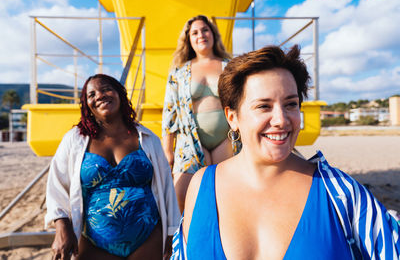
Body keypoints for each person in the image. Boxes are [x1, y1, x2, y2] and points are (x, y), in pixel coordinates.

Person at [171, 45, 400, 259]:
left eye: (291, 104)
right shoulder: (200, 186)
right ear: (232, 117)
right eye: (264, 106)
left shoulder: (339, 191)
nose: (281, 120)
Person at [45, 74, 180, 260]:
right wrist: (61, 227)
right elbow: (57, 186)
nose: (99, 95)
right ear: (87, 105)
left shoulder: (147, 139)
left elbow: (166, 189)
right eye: (91, 94)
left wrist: (172, 233)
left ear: (120, 95)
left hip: (148, 239)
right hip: (93, 243)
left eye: (106, 89)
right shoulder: (75, 140)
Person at [162, 15, 236, 212]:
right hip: (189, 142)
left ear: (213, 34)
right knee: (183, 197)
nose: (200, 35)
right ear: (188, 39)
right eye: (194, 32)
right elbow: (170, 113)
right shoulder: (179, 72)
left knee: (227, 196)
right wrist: (168, 151)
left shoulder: (231, 67)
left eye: (205, 30)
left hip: (226, 139)